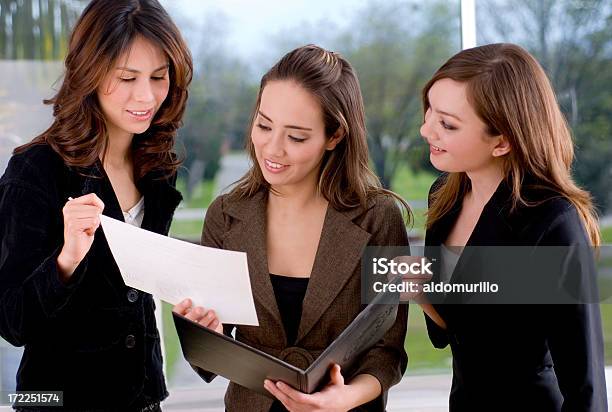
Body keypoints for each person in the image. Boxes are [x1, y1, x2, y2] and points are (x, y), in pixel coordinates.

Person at [173, 44, 409, 411]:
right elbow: (208, 359)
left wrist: (345, 398)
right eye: (264, 125)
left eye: (296, 136)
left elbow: (387, 350)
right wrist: (204, 333)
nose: (272, 147)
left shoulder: (378, 217)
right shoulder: (226, 215)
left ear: (334, 137)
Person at [0, 0, 192, 410]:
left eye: (159, 77)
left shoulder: (158, 170)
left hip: (143, 398)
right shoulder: (35, 169)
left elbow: (138, 294)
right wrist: (67, 259)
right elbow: (11, 320)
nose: (146, 95)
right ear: (90, 73)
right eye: (127, 78)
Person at [418, 43, 607, 411]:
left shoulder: (554, 222)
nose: (427, 130)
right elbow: (459, 329)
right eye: (429, 111)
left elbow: (586, 388)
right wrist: (419, 292)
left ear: (502, 141)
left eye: (447, 124)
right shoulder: (444, 196)